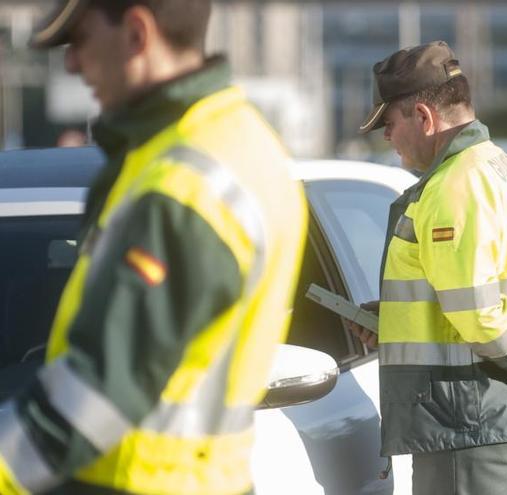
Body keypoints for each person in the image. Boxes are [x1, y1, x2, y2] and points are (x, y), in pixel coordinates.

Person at [0, 1, 308, 493]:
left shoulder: (184, 183)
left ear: (137, 34)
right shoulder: (234, 143)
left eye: (79, 40)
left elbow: (92, 394)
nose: (73, 64)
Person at [351, 41, 507, 495]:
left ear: (425, 119)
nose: (387, 138)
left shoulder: (454, 187)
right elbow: (473, 294)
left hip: (466, 421)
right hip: (498, 413)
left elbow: (477, 309)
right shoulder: (503, 168)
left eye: (389, 125)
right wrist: (394, 318)